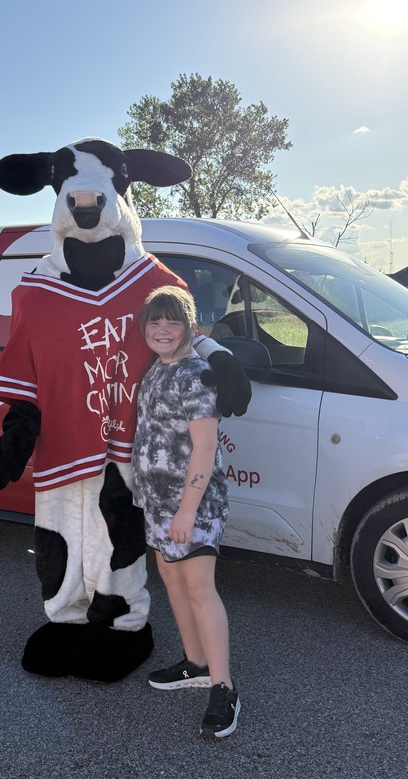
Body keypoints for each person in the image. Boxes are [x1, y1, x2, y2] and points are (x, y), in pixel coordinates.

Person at [132, 285, 240, 739]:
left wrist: (187, 512)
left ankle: (224, 688)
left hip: (192, 506)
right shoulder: (157, 369)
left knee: (199, 590)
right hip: (157, 503)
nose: (161, 328)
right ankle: (195, 663)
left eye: (171, 321)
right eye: (153, 321)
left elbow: (205, 446)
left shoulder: (197, 375)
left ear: (191, 329)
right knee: (173, 584)